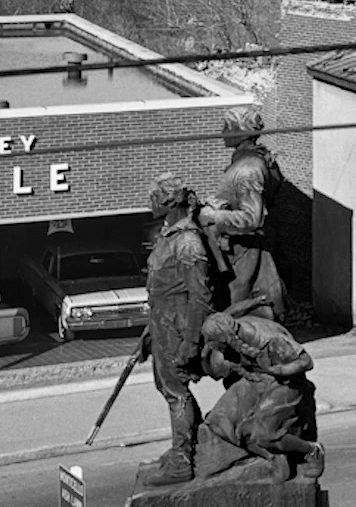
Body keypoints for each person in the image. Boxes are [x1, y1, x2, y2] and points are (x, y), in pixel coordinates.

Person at [140, 172, 213, 486]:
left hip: (178, 329)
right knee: (168, 389)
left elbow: (201, 296)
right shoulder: (169, 235)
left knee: (176, 393)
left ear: (169, 201)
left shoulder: (187, 243)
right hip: (162, 325)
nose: (150, 202)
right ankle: (188, 448)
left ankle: (182, 461)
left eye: (154, 196)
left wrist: (190, 343)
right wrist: (149, 331)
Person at [197, 310, 325, 482]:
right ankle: (274, 457)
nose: (212, 345)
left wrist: (277, 370)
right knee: (219, 421)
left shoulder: (266, 338)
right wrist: (205, 357)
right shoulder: (233, 339)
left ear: (225, 337)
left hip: (287, 384)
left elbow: (306, 362)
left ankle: (311, 450)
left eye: (213, 341)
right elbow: (216, 373)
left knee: (265, 434)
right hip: (257, 381)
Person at [197, 106, 287, 322]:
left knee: (236, 308)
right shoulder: (248, 161)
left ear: (242, 131)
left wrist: (213, 216)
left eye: (227, 127)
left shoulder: (248, 170)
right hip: (236, 250)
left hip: (242, 254)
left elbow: (252, 219)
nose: (222, 132)